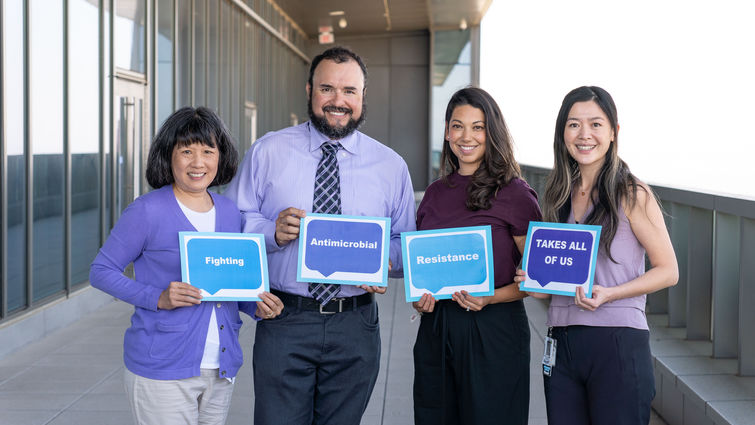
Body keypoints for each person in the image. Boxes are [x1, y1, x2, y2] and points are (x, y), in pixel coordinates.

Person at [224, 46, 416, 425]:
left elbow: (404, 245)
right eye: (327, 89)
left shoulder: (391, 167)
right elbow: (232, 222)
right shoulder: (268, 151)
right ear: (309, 89)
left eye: (350, 91)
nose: (338, 101)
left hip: (355, 326)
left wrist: (382, 261)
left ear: (363, 97)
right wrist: (271, 231)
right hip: (285, 319)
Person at [89, 107, 283, 425]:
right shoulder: (146, 211)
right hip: (162, 367)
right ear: (169, 156)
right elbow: (101, 271)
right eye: (187, 151)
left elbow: (228, 283)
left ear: (220, 157)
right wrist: (157, 297)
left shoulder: (230, 212)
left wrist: (256, 304)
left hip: (220, 366)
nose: (198, 162)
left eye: (208, 151)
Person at [522, 86, 678, 425]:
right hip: (561, 342)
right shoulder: (557, 194)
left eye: (595, 124)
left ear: (613, 132)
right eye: (574, 124)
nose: (584, 134)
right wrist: (534, 282)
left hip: (617, 342)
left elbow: (668, 271)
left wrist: (611, 293)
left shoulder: (631, 192)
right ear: (562, 132)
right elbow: (552, 284)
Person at [411, 87, 542, 425]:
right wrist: (420, 299)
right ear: (446, 131)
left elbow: (537, 281)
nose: (465, 136)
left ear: (492, 132)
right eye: (457, 126)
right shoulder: (434, 194)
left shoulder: (515, 194)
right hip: (437, 329)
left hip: (493, 329)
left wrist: (490, 298)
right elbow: (423, 266)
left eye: (477, 127)